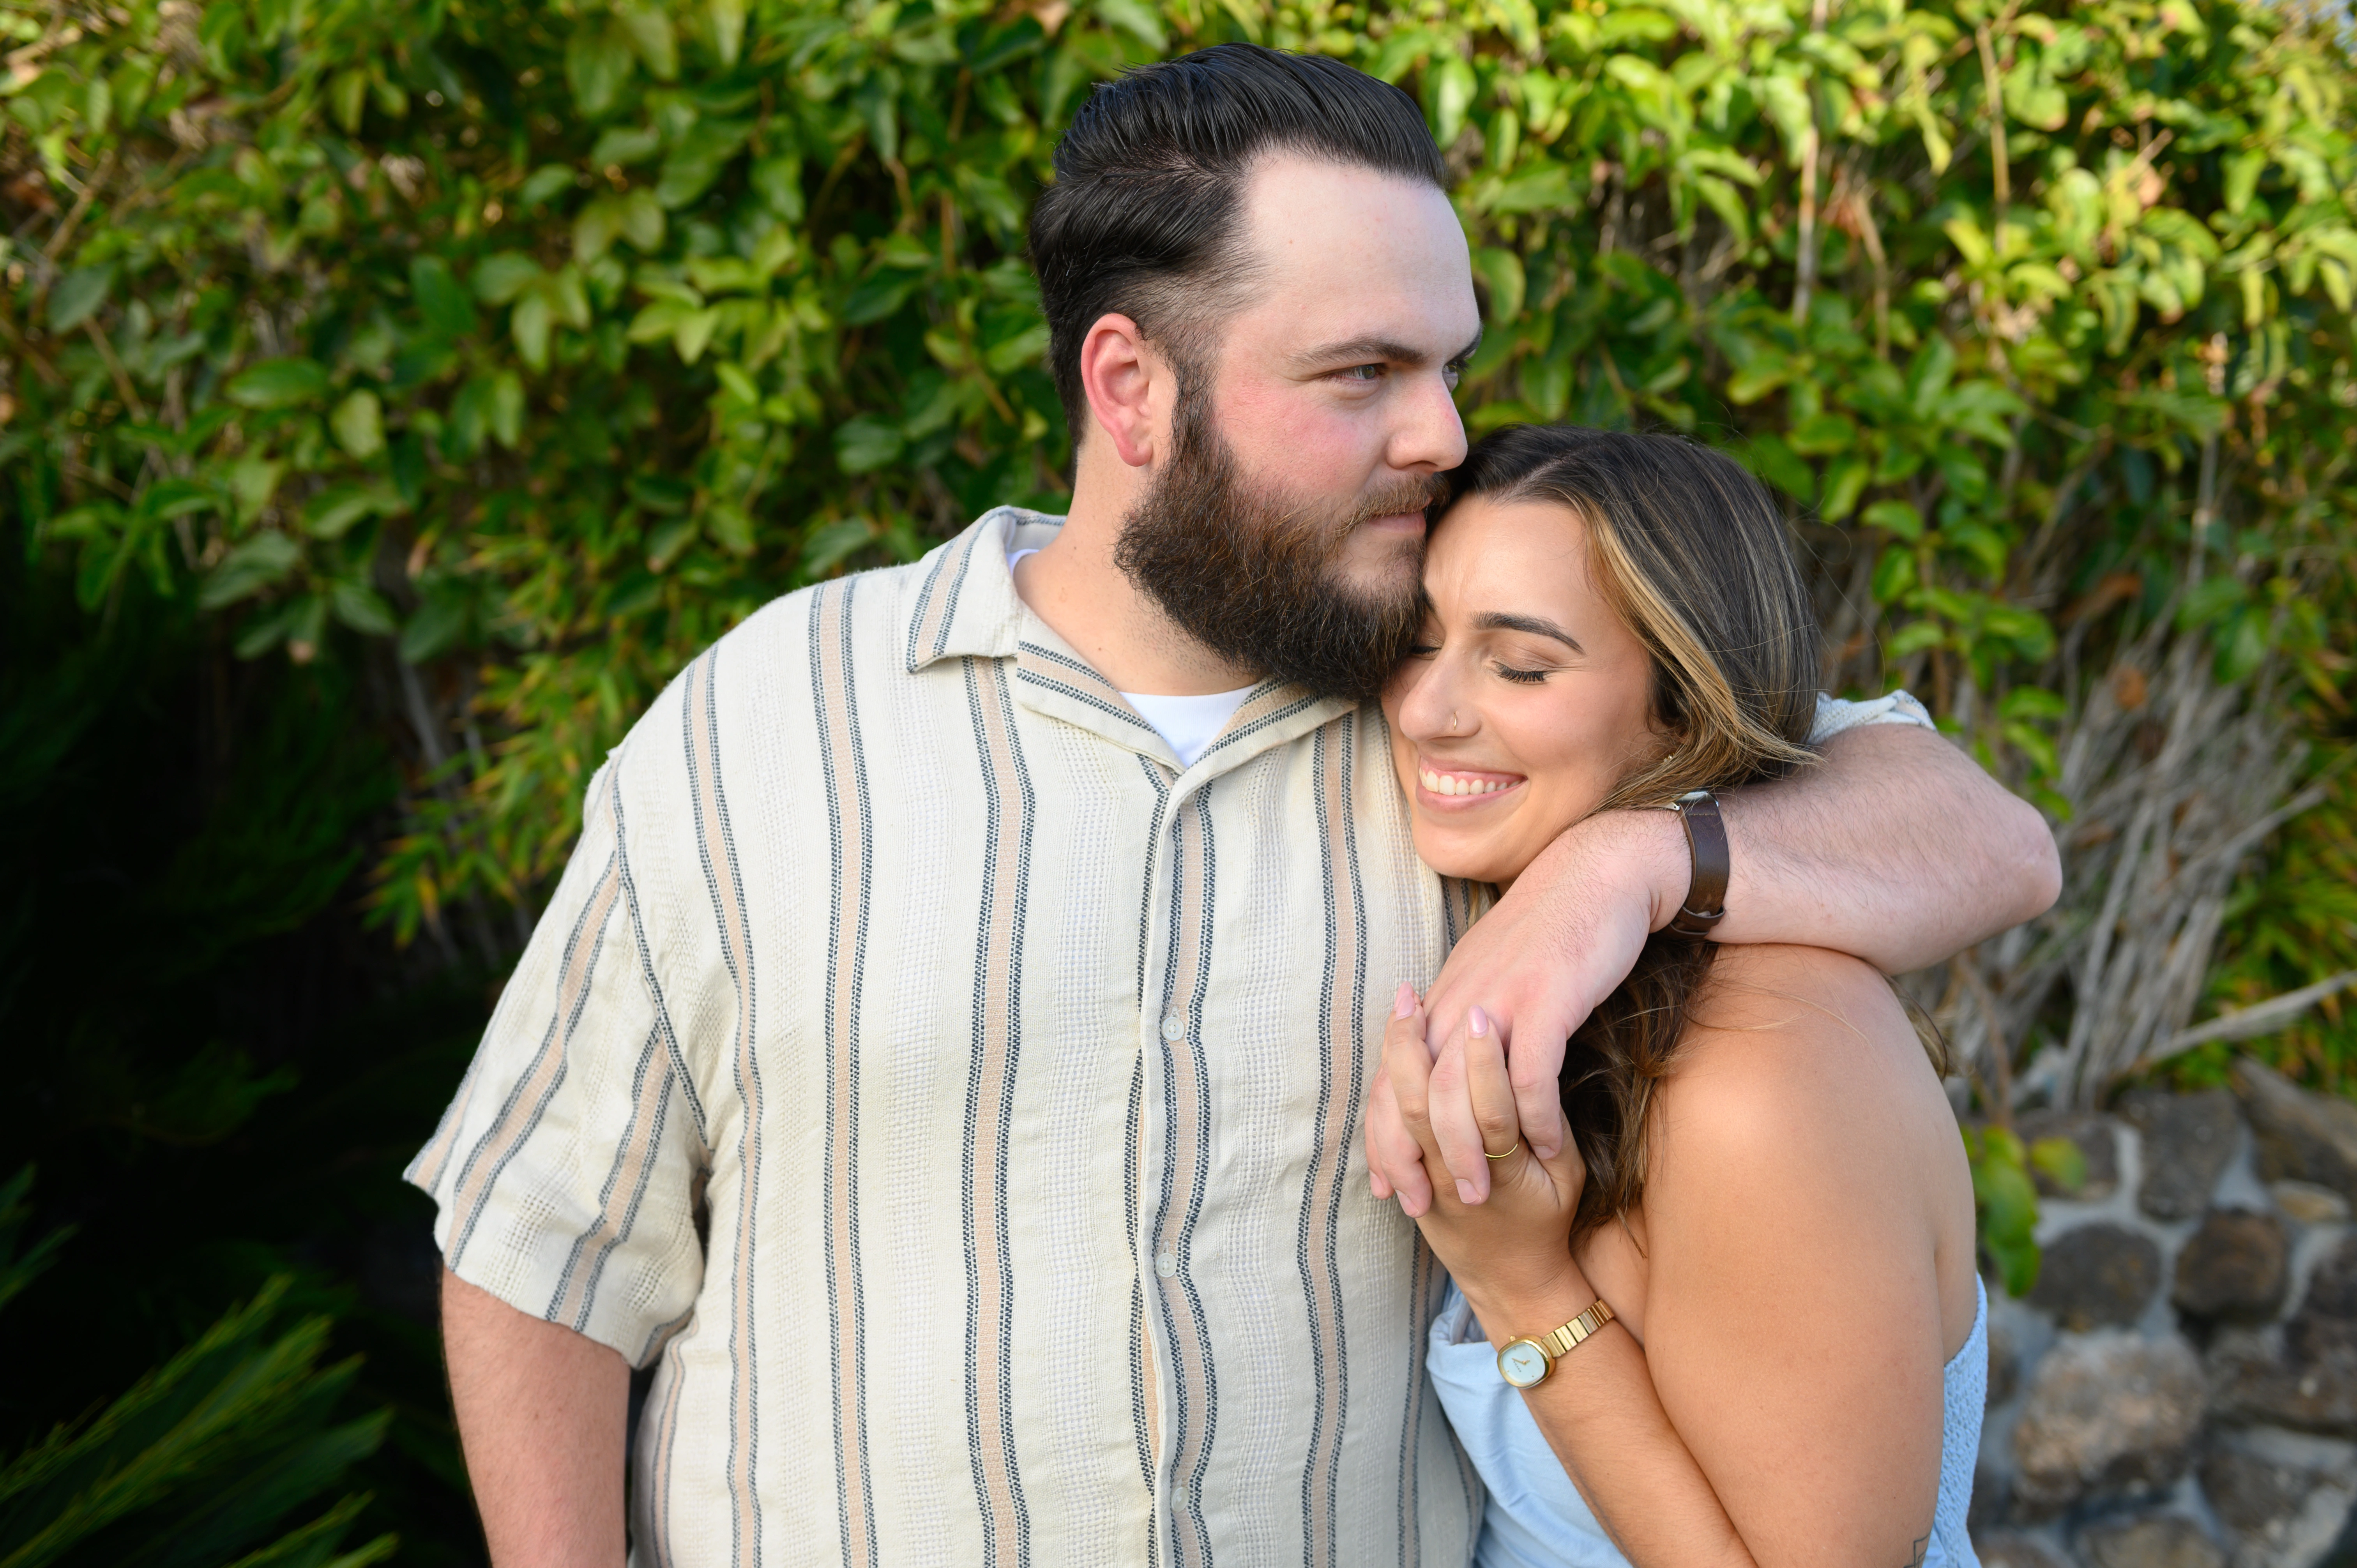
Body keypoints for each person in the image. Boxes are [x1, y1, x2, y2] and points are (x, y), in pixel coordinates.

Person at [412, 44, 2055, 1567]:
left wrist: (1626, 866)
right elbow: (542, 1244)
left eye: (1448, 364)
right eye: (1362, 373)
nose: (1443, 433)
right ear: (1132, 387)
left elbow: (1980, 834)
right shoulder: (767, 720)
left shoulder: (1468, 734)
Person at [1382, 425, 1983, 1568]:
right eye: (1415, 645)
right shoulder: (1588, 994)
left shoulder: (1761, 1069)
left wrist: (1524, 1291)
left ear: (1684, 710)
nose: (1426, 711)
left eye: (1519, 665)